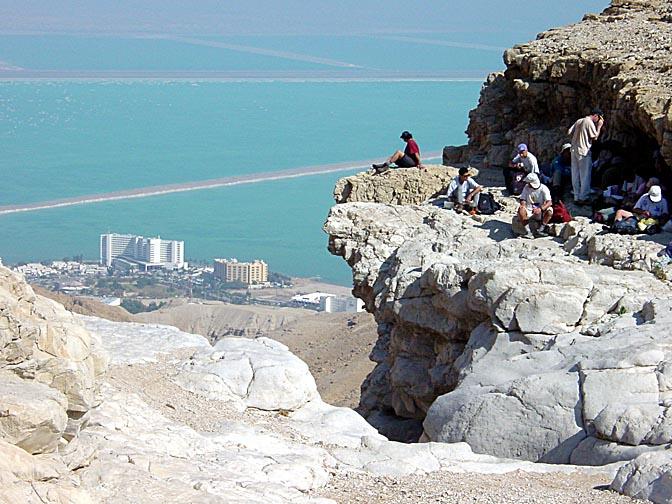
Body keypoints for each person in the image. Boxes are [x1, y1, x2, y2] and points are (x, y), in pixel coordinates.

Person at [568, 108, 605, 204]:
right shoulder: (589, 122)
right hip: (583, 151)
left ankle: (576, 195)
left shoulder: (579, 120)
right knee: (585, 175)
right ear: (596, 116)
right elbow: (594, 137)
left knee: (575, 173)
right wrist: (599, 127)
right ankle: (583, 197)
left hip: (574, 149)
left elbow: (569, 131)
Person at [515, 172, 553, 237]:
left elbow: (549, 202)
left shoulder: (544, 188)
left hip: (541, 210)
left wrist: (540, 209)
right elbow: (522, 199)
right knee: (521, 210)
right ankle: (528, 231)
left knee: (550, 211)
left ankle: (541, 229)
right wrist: (523, 205)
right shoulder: (526, 188)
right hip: (529, 209)